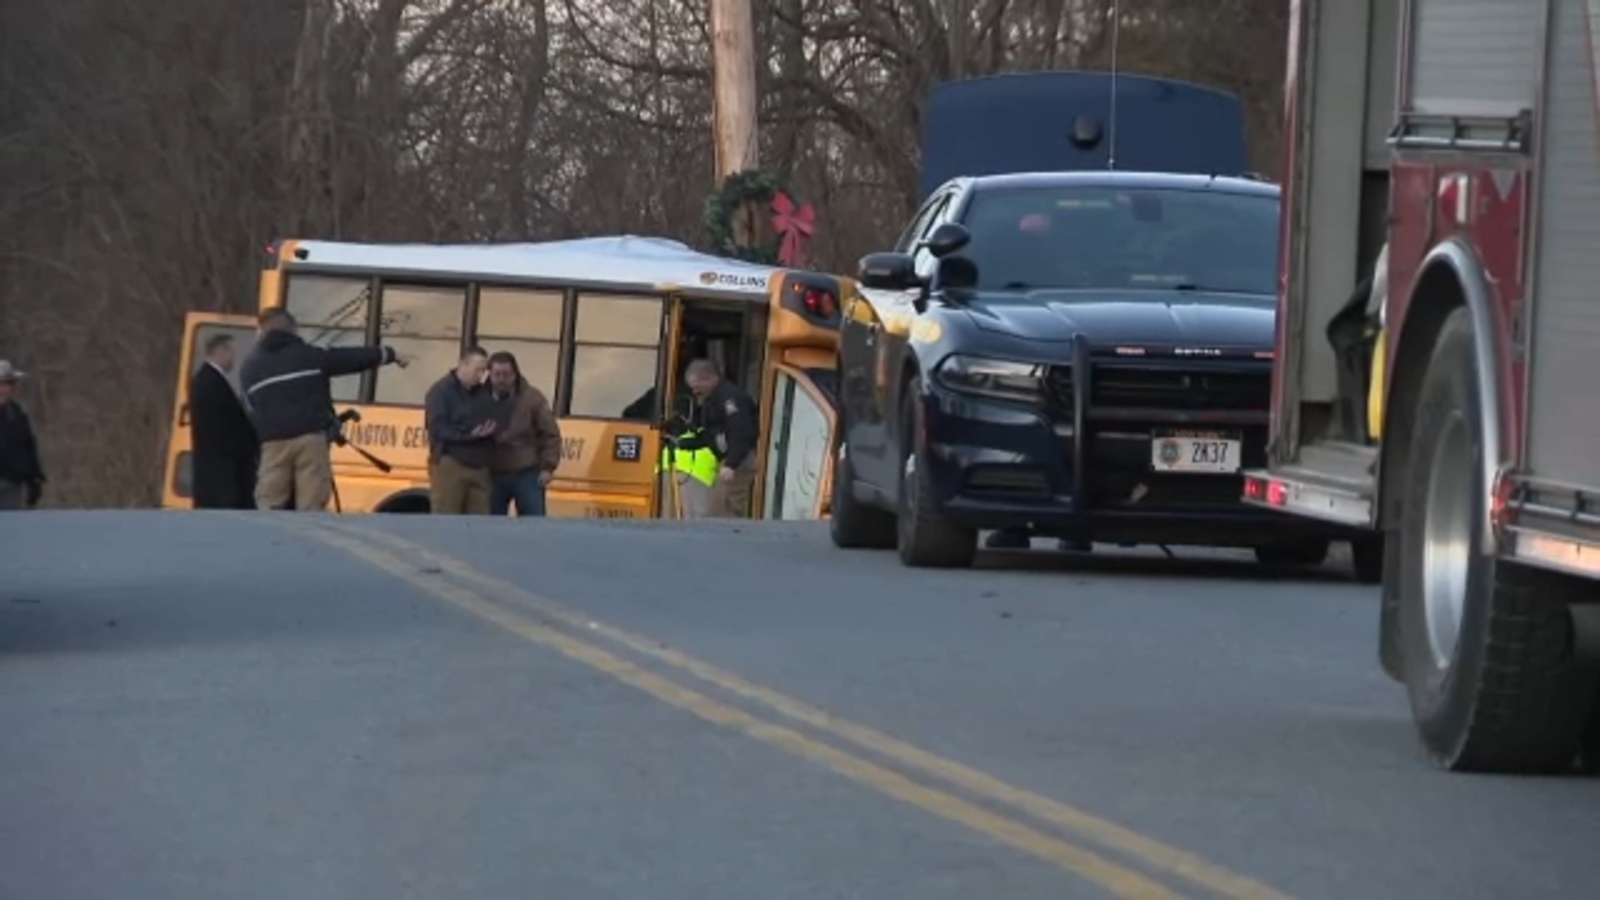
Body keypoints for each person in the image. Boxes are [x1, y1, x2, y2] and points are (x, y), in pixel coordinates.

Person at [239, 307, 407, 511]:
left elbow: (251, 409)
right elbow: (351, 359)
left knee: (270, 500)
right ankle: (307, 540)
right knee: (311, 502)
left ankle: (268, 539)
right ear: (293, 330)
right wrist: (388, 353)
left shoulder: (249, 368)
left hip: (274, 443)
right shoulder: (310, 356)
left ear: (261, 332)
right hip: (310, 439)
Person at [425, 346, 503, 515]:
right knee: (447, 517)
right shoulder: (441, 392)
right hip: (451, 462)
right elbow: (438, 428)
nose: (481, 375)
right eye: (477, 370)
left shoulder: (484, 393)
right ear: (463, 365)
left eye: (484, 371)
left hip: (480, 465)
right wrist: (469, 435)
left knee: (479, 520)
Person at [486, 351, 562, 517]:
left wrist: (548, 468)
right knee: (489, 528)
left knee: (533, 526)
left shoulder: (532, 398)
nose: (501, 379)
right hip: (491, 474)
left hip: (526, 472)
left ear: (515, 375)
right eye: (497, 374)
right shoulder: (479, 398)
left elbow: (550, 435)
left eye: (506, 374)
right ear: (489, 375)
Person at [188, 333, 259, 509]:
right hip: (223, 467)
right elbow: (225, 425)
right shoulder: (211, 382)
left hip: (217, 466)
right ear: (221, 351)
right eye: (231, 352)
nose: (233, 358)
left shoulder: (206, 379)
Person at [683, 358, 758, 518]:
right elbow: (713, 432)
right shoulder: (712, 399)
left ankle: (726, 541)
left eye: (697, 387)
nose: (695, 392)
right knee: (719, 508)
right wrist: (688, 443)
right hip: (729, 460)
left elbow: (741, 431)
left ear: (710, 378)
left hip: (738, 462)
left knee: (726, 510)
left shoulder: (730, 398)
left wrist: (731, 464)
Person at [0, 360, 44, 511]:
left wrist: (34, 478)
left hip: (12, 484)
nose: (5, 389)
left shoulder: (17, 413)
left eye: (9, 384)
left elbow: (28, 446)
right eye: (2, 384)